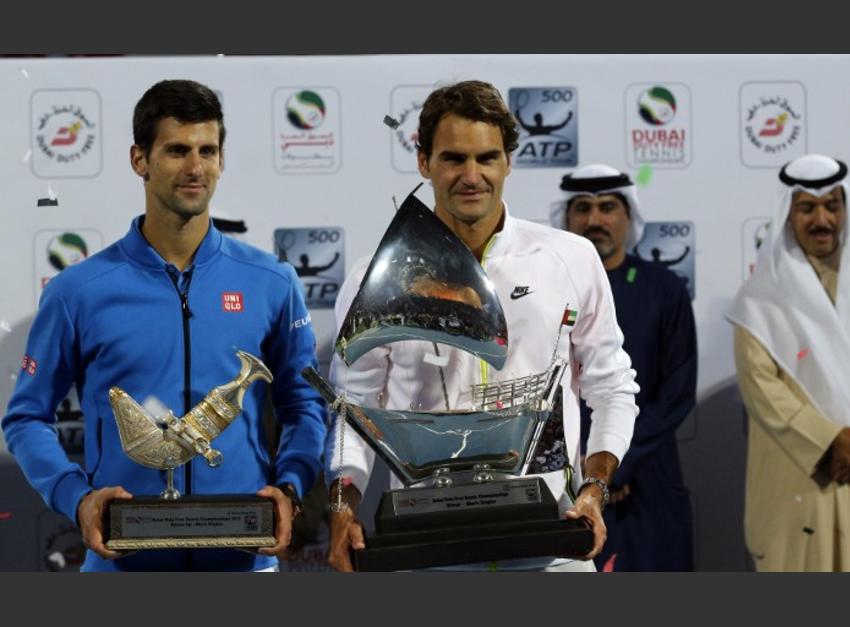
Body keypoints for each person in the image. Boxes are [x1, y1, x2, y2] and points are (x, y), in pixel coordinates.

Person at [2, 79, 327, 572]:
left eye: (207, 150)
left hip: (245, 562)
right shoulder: (78, 291)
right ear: (140, 160)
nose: (196, 168)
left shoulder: (272, 282)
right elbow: (26, 418)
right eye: (177, 150)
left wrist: (289, 488)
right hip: (122, 565)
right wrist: (78, 498)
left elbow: (304, 406)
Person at [325, 80, 640, 572]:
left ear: (508, 162)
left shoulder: (569, 258)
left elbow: (612, 386)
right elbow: (352, 410)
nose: (472, 176)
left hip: (552, 538)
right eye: (453, 159)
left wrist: (594, 489)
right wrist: (343, 509)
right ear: (423, 161)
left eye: (487, 158)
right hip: (428, 547)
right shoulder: (375, 276)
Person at [727, 153, 850, 571]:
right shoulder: (759, 301)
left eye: (831, 206)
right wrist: (832, 440)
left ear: (845, 210)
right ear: (788, 215)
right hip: (805, 481)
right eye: (807, 208)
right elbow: (764, 392)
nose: (822, 219)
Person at [554, 163, 696, 571]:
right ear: (566, 218)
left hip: (646, 480)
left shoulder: (664, 290)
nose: (594, 220)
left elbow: (676, 393)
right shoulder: (545, 291)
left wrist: (614, 463)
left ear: (629, 216)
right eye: (582, 208)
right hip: (563, 480)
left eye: (607, 207)